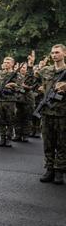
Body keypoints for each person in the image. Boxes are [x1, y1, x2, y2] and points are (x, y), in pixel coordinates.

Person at [36, 44, 66, 184]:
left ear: (64, 54)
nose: (54, 55)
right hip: (47, 111)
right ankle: (49, 169)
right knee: (48, 143)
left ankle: (59, 170)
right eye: (52, 53)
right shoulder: (46, 70)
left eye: (57, 52)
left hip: (62, 113)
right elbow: (32, 79)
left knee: (62, 143)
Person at [0, 56, 23, 147]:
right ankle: (2, 138)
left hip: (10, 101)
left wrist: (13, 85)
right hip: (0, 100)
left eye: (8, 62)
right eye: (5, 62)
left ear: (12, 64)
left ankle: (8, 138)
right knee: (1, 120)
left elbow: (20, 87)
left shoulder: (17, 74)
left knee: (10, 120)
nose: (6, 63)